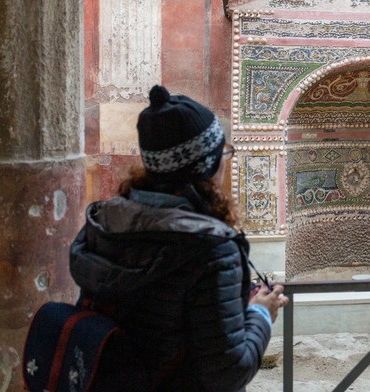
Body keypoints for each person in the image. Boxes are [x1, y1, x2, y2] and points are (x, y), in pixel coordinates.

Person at [69, 85, 288, 392]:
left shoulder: (104, 223)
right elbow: (227, 371)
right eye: (223, 152)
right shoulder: (212, 250)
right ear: (206, 165)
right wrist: (261, 313)